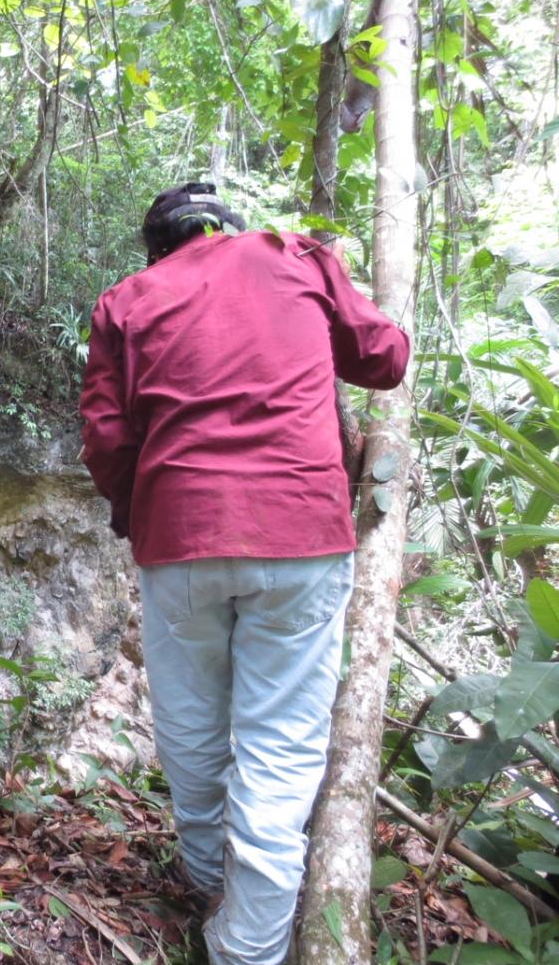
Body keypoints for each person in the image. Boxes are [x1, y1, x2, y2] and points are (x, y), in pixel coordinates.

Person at [79, 183, 410, 965]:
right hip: (300, 526)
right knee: (281, 744)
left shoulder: (126, 300)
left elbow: (105, 436)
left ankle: (205, 884)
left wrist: (140, 510)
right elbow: (386, 358)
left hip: (180, 533)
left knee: (192, 726)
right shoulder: (295, 255)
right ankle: (249, 946)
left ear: (159, 246)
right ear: (228, 228)